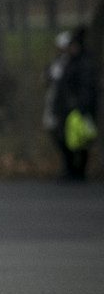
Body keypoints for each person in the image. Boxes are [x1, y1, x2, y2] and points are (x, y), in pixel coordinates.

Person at [48, 26, 98, 181]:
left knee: (80, 141)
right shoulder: (68, 62)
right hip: (66, 108)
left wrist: (79, 106)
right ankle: (71, 169)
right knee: (64, 138)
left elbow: (86, 88)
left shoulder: (84, 63)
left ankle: (78, 171)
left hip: (78, 109)